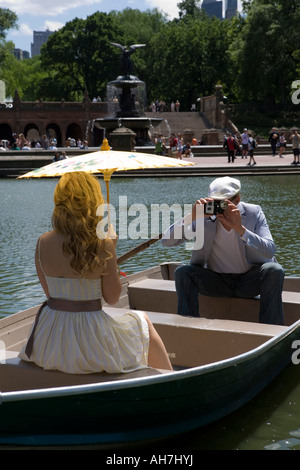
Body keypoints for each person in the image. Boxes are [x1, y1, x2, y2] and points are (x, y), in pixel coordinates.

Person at [19, 172, 172, 373]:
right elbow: (112, 297)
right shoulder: (103, 244)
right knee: (141, 321)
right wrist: (111, 251)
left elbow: (52, 296)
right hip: (90, 336)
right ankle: (169, 378)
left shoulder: (42, 243)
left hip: (50, 337)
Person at [161, 176, 284, 325]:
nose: (218, 208)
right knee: (183, 273)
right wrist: (190, 217)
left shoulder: (253, 212)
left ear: (237, 200)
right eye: (214, 202)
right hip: (216, 282)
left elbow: (270, 250)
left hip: (248, 282)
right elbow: (167, 241)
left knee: (274, 270)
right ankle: (187, 328)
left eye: (224, 203)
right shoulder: (203, 218)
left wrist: (240, 229)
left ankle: (272, 330)